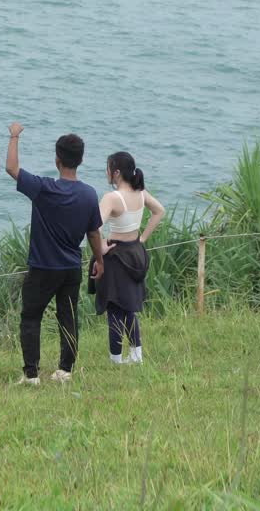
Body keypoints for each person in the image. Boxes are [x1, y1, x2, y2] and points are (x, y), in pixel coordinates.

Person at [5, 123, 105, 385]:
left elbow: (12, 169)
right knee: (69, 317)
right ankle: (65, 370)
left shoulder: (44, 188)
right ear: (80, 160)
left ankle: (31, 375)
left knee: (31, 317)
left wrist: (14, 135)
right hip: (71, 268)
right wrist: (100, 262)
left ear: (57, 160)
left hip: (42, 267)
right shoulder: (88, 194)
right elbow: (94, 234)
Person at [93, 151, 166, 364]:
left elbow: (94, 227)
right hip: (136, 253)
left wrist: (101, 249)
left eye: (107, 168)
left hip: (116, 256)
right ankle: (136, 355)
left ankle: (115, 359)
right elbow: (159, 211)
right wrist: (142, 238)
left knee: (114, 307)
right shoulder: (140, 193)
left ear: (116, 173)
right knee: (130, 307)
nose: (105, 172)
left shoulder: (112, 198)